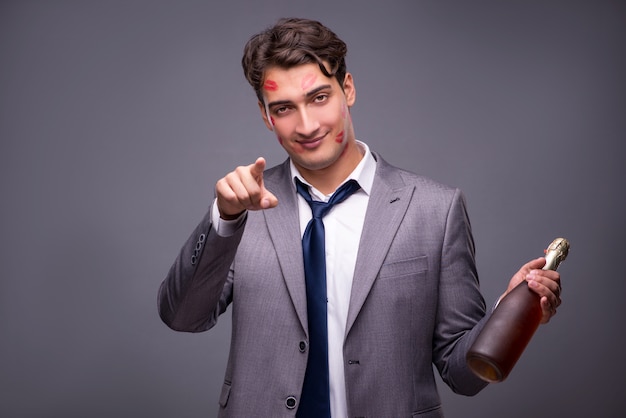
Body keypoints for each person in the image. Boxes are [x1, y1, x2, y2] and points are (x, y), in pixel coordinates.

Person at [158, 17, 562, 418]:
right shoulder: (243, 208)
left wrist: (509, 316)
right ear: (266, 116)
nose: (307, 125)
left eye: (319, 97)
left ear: (347, 90)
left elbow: (463, 376)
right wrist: (225, 219)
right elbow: (182, 317)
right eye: (284, 108)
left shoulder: (434, 210)